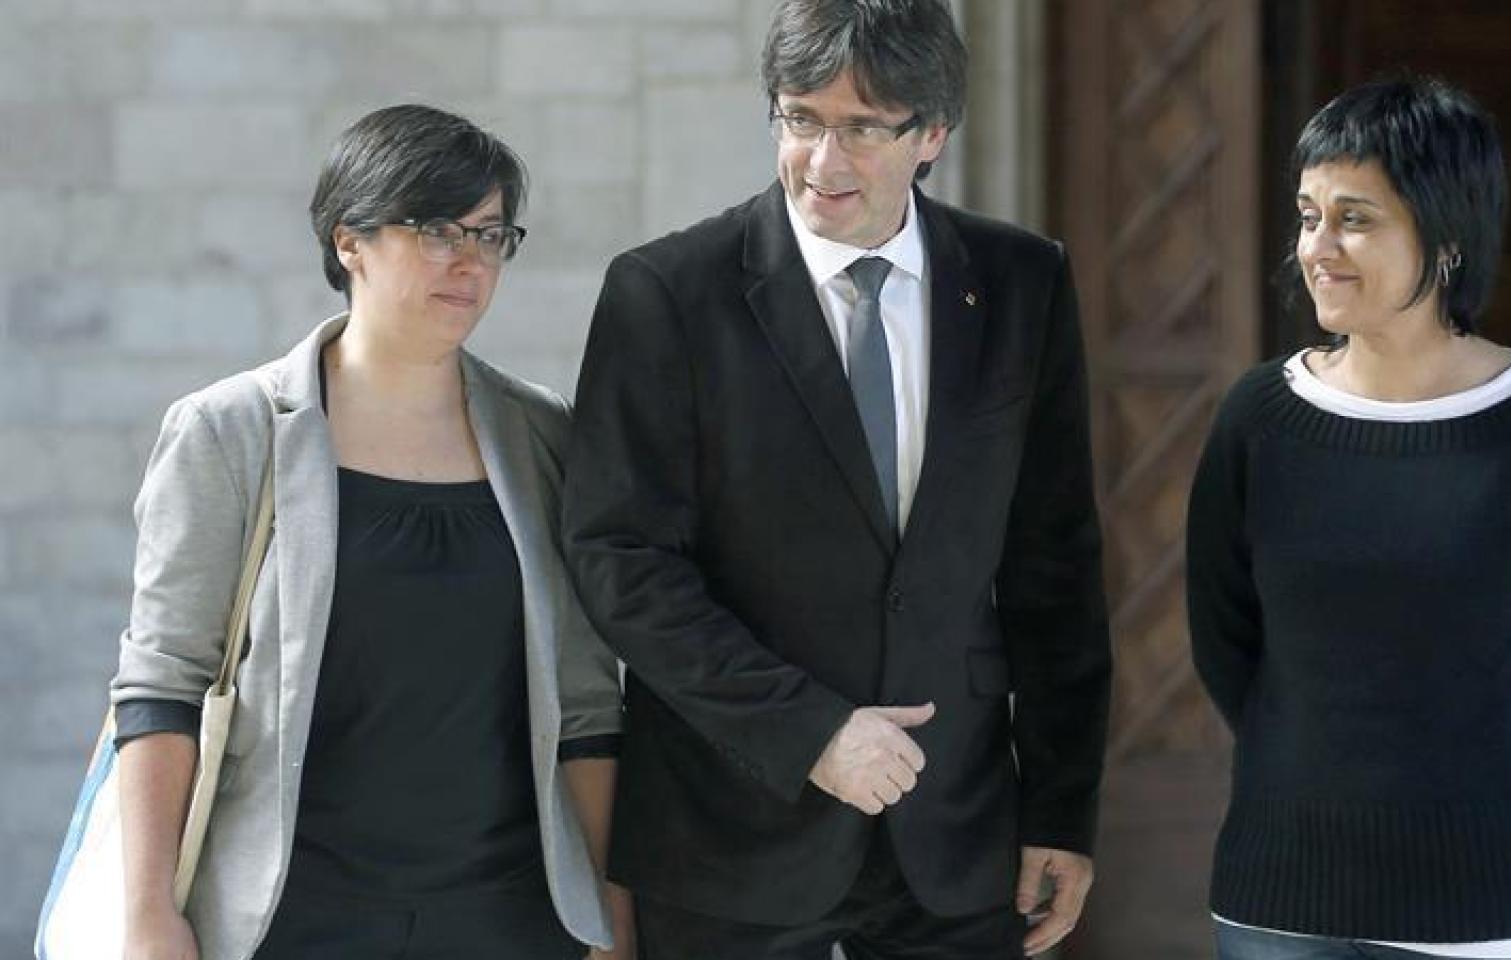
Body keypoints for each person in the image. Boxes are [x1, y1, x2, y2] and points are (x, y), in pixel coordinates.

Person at [562, 1, 1112, 957]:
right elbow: (621, 559)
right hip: (733, 827)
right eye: (801, 119)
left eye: (862, 128)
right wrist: (809, 731)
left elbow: (1053, 562)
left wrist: (1062, 809)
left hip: (954, 831)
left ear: (933, 132)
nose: (823, 161)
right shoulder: (667, 293)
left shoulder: (1022, 283)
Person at [111, 104, 631, 960]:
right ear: (349, 240)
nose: (469, 261)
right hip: (291, 917)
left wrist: (612, 920)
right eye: (437, 231)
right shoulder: (230, 433)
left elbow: (586, 710)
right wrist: (146, 915)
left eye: (491, 235)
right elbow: (164, 685)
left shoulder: (543, 436)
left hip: (510, 918)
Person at [1187, 76, 1511, 960]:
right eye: (1308, 216)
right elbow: (1226, 641)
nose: (1318, 248)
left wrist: (1508, 809)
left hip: (1498, 915)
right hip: (1283, 909)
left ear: (1446, 239)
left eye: (1354, 219)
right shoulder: (1258, 420)